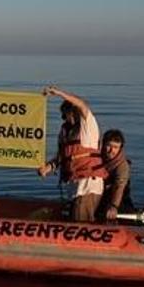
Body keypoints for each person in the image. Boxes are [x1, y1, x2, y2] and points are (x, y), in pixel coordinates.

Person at [37, 85, 107, 222]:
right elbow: (61, 158)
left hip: (88, 185)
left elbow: (82, 105)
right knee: (74, 217)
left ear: (73, 112)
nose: (64, 118)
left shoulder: (88, 126)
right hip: (74, 185)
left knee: (81, 221)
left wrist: (58, 93)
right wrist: (48, 168)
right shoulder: (66, 133)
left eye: (65, 114)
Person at [99, 129, 135, 221]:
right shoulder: (98, 159)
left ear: (120, 148)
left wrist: (114, 206)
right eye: (109, 146)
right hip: (101, 197)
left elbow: (119, 186)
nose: (111, 150)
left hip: (120, 201)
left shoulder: (122, 166)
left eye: (115, 147)